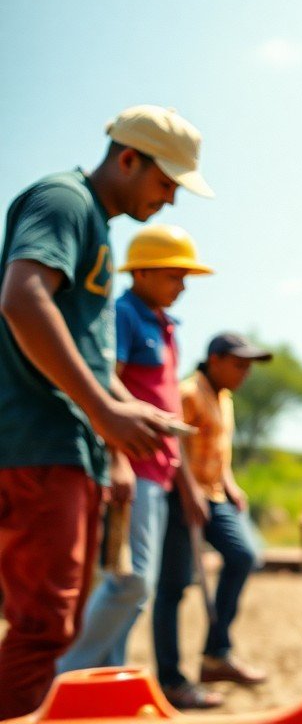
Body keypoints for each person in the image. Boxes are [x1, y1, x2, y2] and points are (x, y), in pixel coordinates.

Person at [0, 105, 211, 718]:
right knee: (43, 627)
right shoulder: (64, 201)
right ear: (128, 159)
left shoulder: (94, 222)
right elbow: (22, 298)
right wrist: (101, 410)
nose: (170, 199)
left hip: (65, 447)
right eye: (165, 182)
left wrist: (123, 414)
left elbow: (85, 353)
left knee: (52, 624)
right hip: (40, 443)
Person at [59, 225, 213, 672]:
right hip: (134, 467)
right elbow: (106, 386)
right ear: (141, 272)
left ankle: (105, 679)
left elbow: (165, 410)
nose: (182, 286)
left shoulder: (166, 327)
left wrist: (185, 482)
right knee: (130, 582)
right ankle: (65, 675)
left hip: (160, 472)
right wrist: (118, 458)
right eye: (173, 275)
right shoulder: (123, 315)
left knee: (137, 594)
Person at [153, 333, 270, 709]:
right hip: (182, 496)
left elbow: (219, 451)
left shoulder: (225, 399)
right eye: (239, 365)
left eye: (249, 367)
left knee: (243, 556)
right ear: (215, 360)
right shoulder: (188, 393)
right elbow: (172, 446)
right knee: (173, 587)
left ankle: (216, 655)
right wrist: (189, 492)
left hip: (216, 495)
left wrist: (230, 484)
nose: (245, 373)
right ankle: (171, 680)